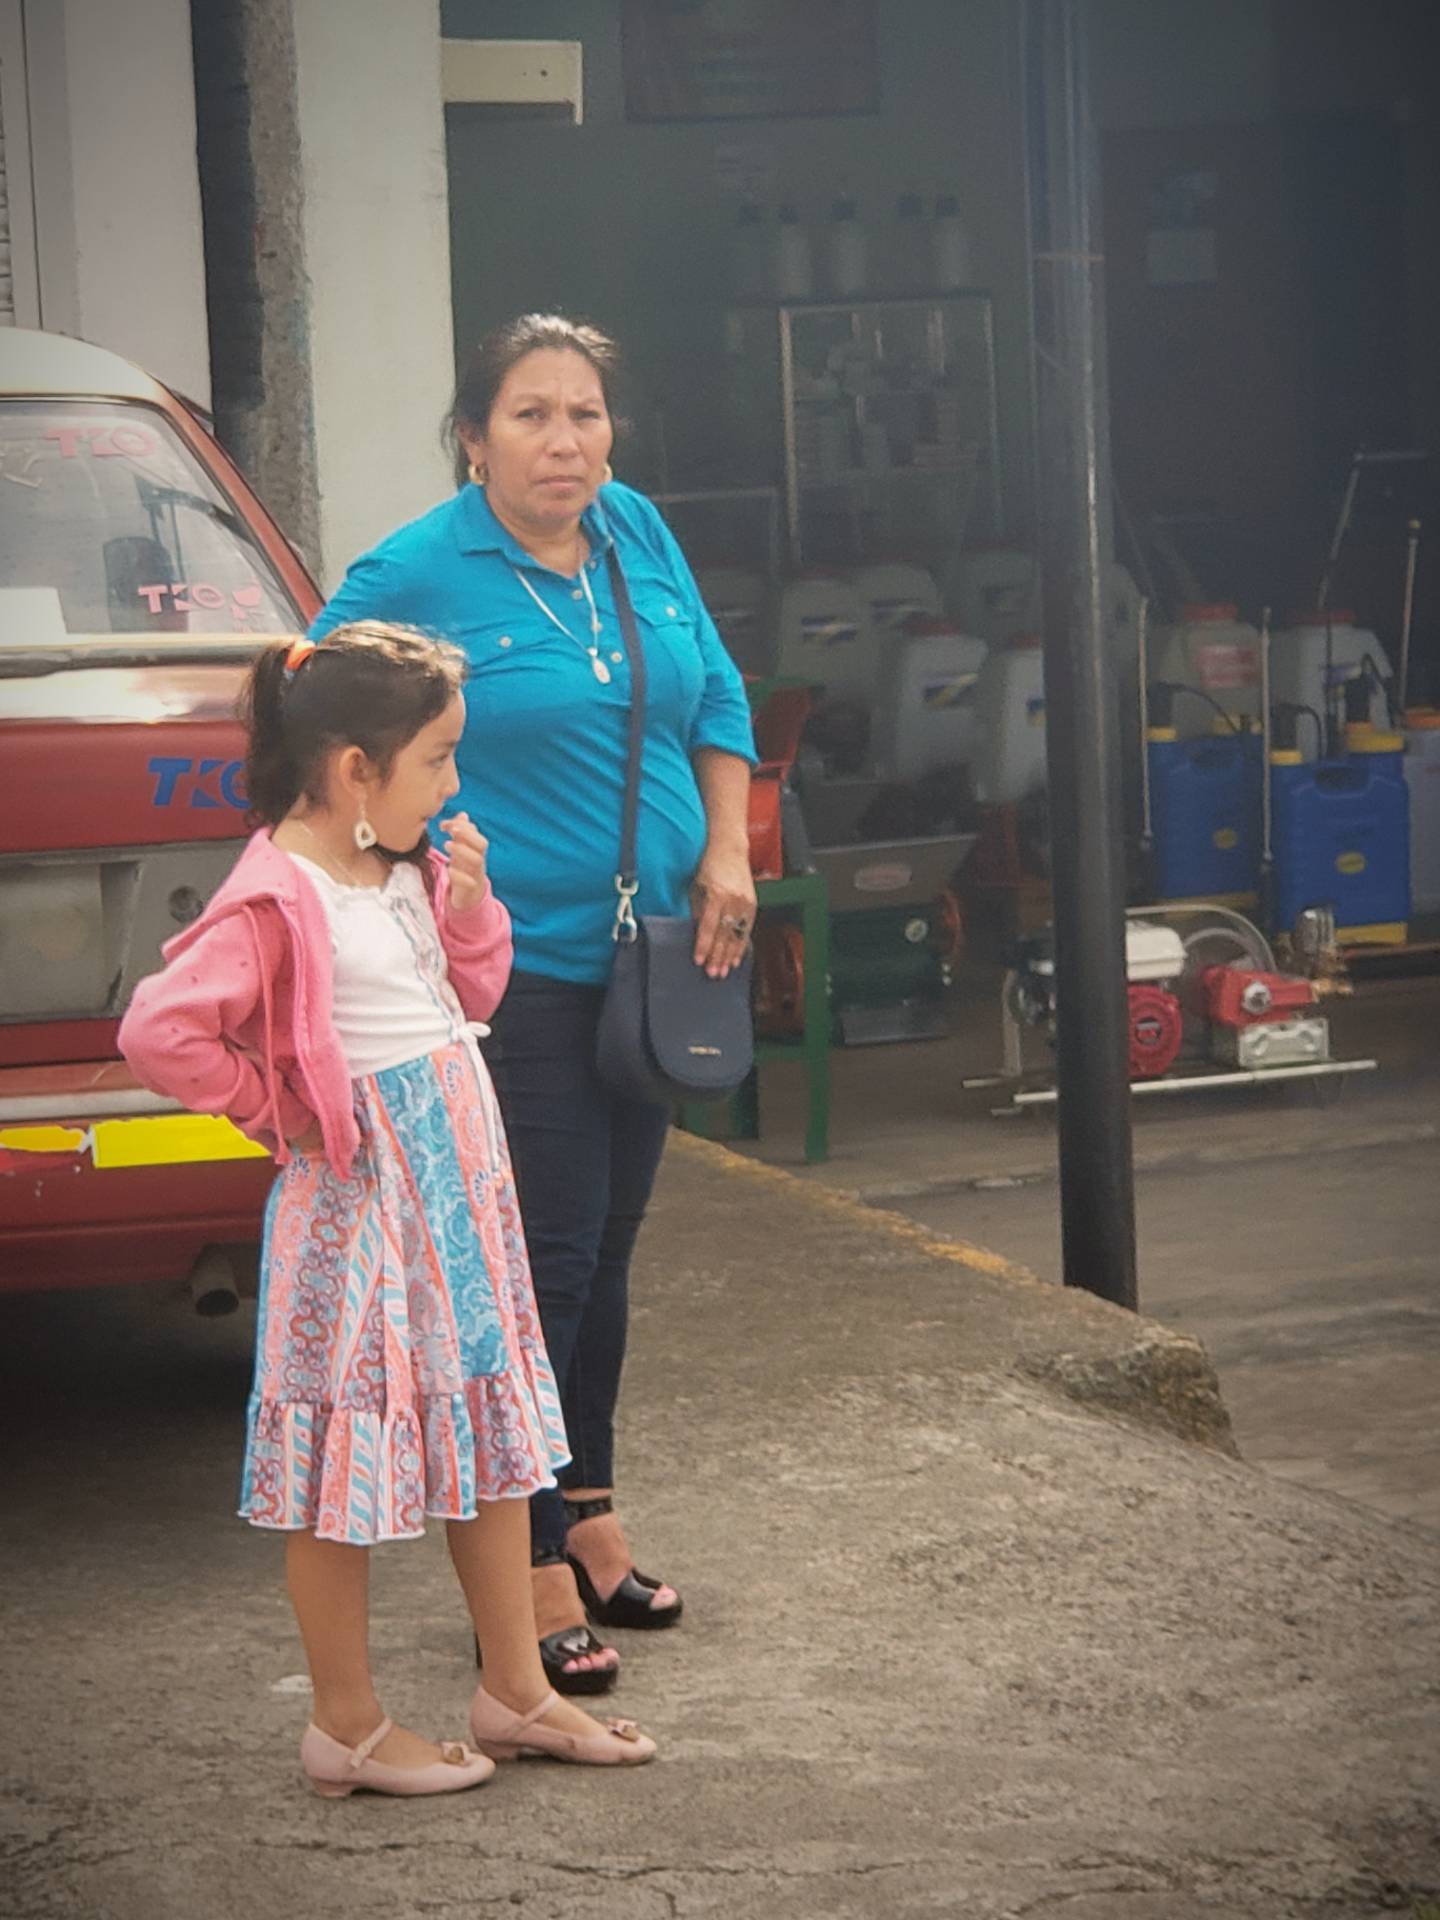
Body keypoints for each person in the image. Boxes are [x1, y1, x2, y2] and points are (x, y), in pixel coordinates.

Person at [118, 622, 657, 1794]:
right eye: (439, 761)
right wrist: (282, 1109)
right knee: (340, 1473)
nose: (455, 786)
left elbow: (472, 993)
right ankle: (347, 1725)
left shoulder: (399, 868)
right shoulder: (278, 898)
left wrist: (466, 904)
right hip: (359, 1220)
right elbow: (158, 1028)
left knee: (497, 1443)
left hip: (459, 1203)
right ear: (356, 771)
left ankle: (517, 1692)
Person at [309, 314, 757, 1694]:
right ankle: (536, 1560)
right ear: (472, 434)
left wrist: (729, 847)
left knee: (610, 1251)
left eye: (585, 416)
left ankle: (594, 1503)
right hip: (515, 976)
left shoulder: (635, 534)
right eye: (531, 417)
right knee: (543, 1263)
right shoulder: (418, 571)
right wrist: (405, 865)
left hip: (656, 958)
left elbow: (717, 698)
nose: (566, 442)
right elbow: (312, 736)